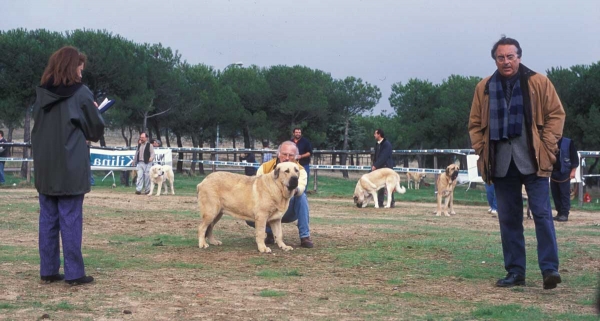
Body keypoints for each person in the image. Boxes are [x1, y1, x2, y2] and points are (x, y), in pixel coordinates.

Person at [468, 36, 565, 290]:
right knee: (508, 219)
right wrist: (481, 149)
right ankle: (515, 272)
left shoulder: (538, 82)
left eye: (510, 56)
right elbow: (475, 124)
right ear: (495, 60)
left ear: (519, 57)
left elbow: (556, 114)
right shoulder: (484, 87)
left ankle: (549, 270)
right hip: (500, 162)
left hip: (534, 159)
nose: (506, 61)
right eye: (501, 57)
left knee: (543, 215)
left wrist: (548, 146)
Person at [32, 46, 105, 285]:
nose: (81, 75)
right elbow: (95, 129)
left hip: (45, 166)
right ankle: (74, 273)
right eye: (80, 69)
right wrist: (96, 113)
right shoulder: (81, 93)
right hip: (71, 166)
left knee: (48, 220)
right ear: (71, 67)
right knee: (71, 219)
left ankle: (48, 270)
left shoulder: (42, 93)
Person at [246, 141, 314, 248]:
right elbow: (258, 188)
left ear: (296, 156)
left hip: (288, 209)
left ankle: (305, 237)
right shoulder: (265, 168)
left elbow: (301, 188)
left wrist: (291, 189)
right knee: (261, 206)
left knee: (302, 197)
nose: (287, 157)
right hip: (268, 207)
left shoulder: (300, 170)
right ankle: (269, 234)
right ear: (278, 154)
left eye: (291, 155)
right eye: (284, 154)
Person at [551, 137, 578, 222]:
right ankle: (559, 213)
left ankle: (564, 213)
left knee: (564, 194)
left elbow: (574, 157)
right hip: (553, 172)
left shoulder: (569, 142)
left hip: (564, 172)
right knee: (555, 194)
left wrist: (573, 171)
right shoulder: (549, 141)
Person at [372, 128, 395, 208]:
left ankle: (391, 202)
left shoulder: (386, 144)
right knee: (380, 185)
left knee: (389, 185)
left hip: (387, 168)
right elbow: (376, 156)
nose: (374, 135)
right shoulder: (377, 144)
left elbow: (383, 157)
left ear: (379, 134)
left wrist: (375, 165)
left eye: (375, 133)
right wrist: (374, 164)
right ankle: (380, 202)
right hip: (380, 168)